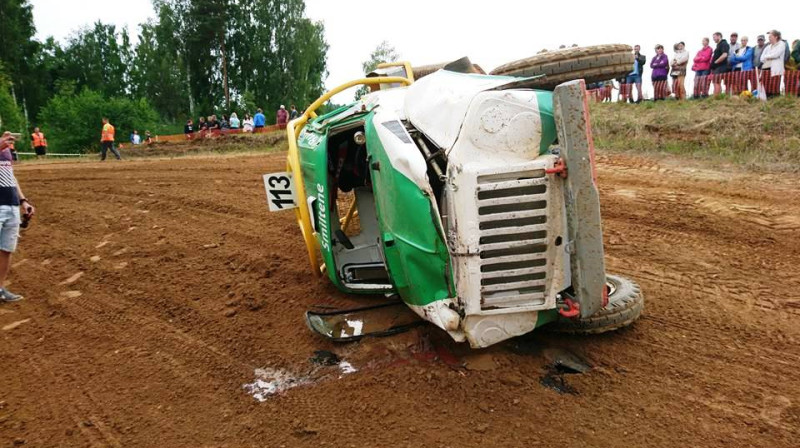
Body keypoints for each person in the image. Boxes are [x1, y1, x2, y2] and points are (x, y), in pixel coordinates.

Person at [0, 134, 35, 302]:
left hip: (11, 204)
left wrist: (23, 201)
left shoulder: (5, 148)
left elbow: (10, 176)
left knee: (6, 250)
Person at [760, 30, 786, 98]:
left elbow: (776, 54)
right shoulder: (768, 47)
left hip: (776, 69)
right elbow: (761, 58)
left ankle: (776, 102)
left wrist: (768, 56)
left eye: (770, 36)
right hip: (766, 68)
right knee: (766, 86)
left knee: (775, 86)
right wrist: (769, 56)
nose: (769, 38)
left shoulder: (781, 44)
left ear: (776, 37)